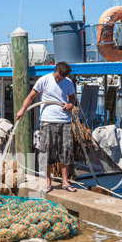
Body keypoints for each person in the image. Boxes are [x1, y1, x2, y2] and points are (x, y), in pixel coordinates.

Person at [16, 61, 77, 193]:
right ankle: (48, 182)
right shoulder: (44, 80)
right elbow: (31, 96)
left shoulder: (68, 83)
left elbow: (72, 98)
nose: (57, 79)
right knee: (46, 152)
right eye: (56, 76)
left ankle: (65, 182)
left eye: (60, 78)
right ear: (55, 70)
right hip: (47, 121)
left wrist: (70, 105)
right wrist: (22, 110)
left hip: (64, 121)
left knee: (65, 151)